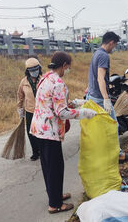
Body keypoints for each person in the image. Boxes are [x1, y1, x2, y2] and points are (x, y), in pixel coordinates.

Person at [30, 51, 97, 214]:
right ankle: (55, 205)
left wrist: (77, 103)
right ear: (64, 65)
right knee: (55, 167)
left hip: (38, 129)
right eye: (69, 67)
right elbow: (62, 113)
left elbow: (55, 103)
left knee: (48, 167)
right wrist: (84, 113)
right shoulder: (58, 83)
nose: (68, 70)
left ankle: (55, 195)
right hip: (49, 131)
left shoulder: (46, 77)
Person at [86, 31, 128, 163]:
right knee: (113, 126)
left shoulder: (96, 53)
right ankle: (117, 155)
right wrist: (106, 99)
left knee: (100, 128)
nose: (114, 48)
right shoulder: (103, 56)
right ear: (111, 42)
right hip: (100, 98)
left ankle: (102, 154)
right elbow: (100, 77)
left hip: (92, 95)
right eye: (115, 45)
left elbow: (93, 75)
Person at [17, 58, 42, 161]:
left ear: (39, 69)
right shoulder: (24, 82)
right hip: (30, 111)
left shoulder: (43, 80)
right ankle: (35, 152)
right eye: (32, 70)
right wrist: (19, 108)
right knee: (30, 133)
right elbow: (20, 95)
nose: (34, 72)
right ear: (27, 71)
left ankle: (42, 150)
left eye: (36, 69)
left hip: (41, 111)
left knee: (41, 132)